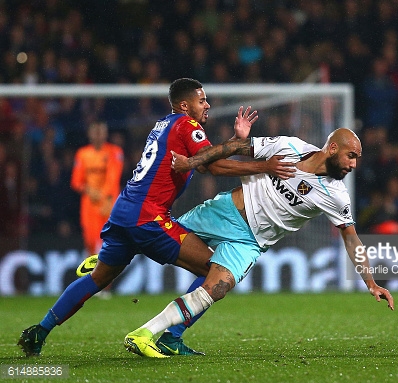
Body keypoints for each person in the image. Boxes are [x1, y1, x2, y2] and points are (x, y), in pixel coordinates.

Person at [17, 78, 295, 357]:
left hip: (123, 211)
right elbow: (212, 166)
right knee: (213, 273)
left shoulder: (165, 124)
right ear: (185, 105)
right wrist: (264, 166)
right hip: (148, 217)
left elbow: (204, 160)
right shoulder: (188, 125)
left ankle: (39, 331)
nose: (207, 105)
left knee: (98, 279)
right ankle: (171, 337)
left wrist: (237, 141)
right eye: (202, 100)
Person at [121, 128, 394, 358]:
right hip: (224, 211)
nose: (354, 164)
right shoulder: (290, 147)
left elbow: (351, 238)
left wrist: (370, 282)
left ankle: (149, 334)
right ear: (332, 148)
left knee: (217, 286)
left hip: (250, 242)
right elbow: (238, 147)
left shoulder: (336, 196)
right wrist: (195, 161)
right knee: (157, 234)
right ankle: (111, 258)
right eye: (351, 156)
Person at [71, 121, 124, 256]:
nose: (98, 135)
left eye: (101, 131)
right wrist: (89, 190)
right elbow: (76, 181)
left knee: (111, 242)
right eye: (95, 131)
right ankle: (92, 274)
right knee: (89, 241)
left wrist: (105, 197)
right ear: (89, 133)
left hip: (108, 202)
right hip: (89, 204)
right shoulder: (82, 154)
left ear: (106, 133)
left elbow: (114, 177)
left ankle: (109, 274)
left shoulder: (115, 152)